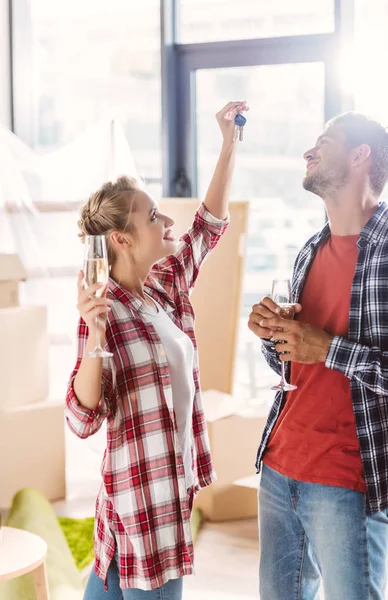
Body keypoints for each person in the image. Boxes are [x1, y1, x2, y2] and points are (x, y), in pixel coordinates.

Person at [65, 101, 249, 599]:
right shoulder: (104, 310)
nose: (167, 219)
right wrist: (96, 337)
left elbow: (208, 225)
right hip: (141, 507)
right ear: (123, 238)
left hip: (167, 492)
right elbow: (82, 418)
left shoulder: (163, 286)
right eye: (152, 216)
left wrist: (229, 143)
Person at [248, 112, 388, 600]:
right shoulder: (308, 250)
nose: (309, 152)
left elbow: (334, 354)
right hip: (278, 466)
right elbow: (296, 366)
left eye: (324, 142)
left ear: (361, 156)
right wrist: (275, 337)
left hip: (347, 478)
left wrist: (328, 347)